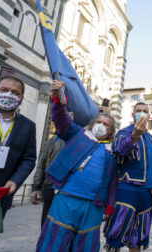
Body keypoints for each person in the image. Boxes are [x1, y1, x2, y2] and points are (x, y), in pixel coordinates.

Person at [36, 80, 118, 252]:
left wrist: (110, 207)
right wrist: (59, 99)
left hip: (94, 206)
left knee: (85, 246)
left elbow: (113, 180)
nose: (101, 126)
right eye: (98, 122)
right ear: (92, 123)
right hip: (65, 198)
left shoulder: (114, 150)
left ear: (110, 131)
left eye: (106, 125)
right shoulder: (78, 134)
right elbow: (61, 119)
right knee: (54, 242)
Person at [104, 102, 152, 252]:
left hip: (147, 195)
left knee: (139, 239)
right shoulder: (123, 132)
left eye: (145, 111)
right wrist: (134, 136)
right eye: (139, 110)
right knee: (116, 235)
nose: (142, 113)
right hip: (126, 193)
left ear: (149, 115)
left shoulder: (151, 139)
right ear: (133, 114)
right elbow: (119, 151)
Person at [0, 76, 36, 235]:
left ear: (21, 98)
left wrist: (15, 180)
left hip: (1, 193)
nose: (8, 95)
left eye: (15, 92)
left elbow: (29, 158)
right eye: (3, 90)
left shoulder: (28, 126)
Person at [31, 134, 65, 228]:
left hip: (69, 187)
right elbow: (42, 163)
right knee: (47, 219)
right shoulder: (53, 139)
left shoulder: (80, 140)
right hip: (50, 184)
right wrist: (36, 186)